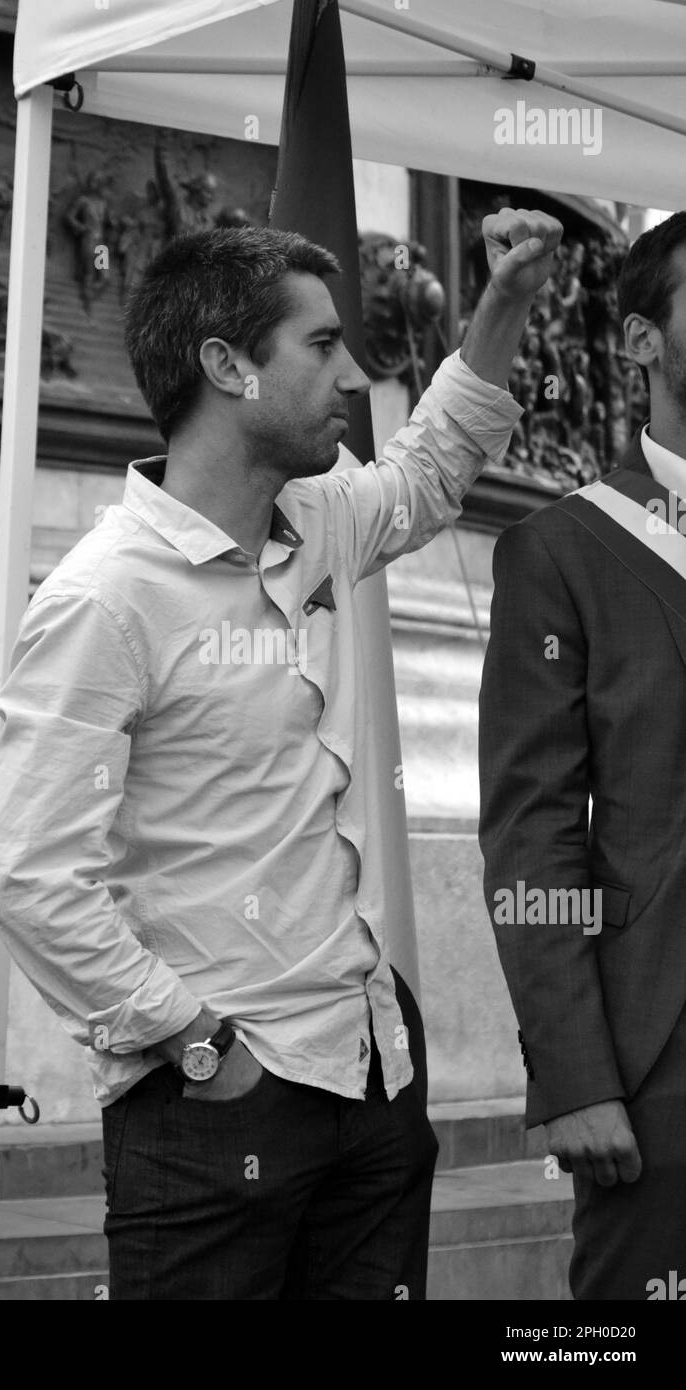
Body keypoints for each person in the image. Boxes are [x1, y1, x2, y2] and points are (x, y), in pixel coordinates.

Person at [0, 210, 561, 1301]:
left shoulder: (319, 519)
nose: (353, 375)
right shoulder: (106, 599)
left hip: (373, 1072)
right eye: (321, 344)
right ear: (226, 365)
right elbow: (32, 876)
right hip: (214, 1110)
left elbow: (432, 468)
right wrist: (199, 1044)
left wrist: (503, 303)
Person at [479, 211, 686, 1301]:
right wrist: (572, 1073)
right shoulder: (562, 551)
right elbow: (534, 833)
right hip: (663, 1058)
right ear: (641, 340)